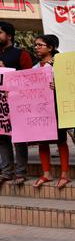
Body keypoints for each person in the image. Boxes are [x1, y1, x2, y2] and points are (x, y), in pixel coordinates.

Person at [31, 34, 71, 189]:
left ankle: (65, 174)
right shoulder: (35, 67)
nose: (36, 47)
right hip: (41, 110)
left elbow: (71, 84)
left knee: (61, 140)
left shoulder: (60, 64)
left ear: (51, 48)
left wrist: (59, 86)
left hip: (57, 108)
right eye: (35, 45)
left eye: (40, 45)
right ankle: (46, 173)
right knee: (42, 141)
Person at [0, 21, 32, 186]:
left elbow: (29, 79)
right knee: (2, 138)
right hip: (0, 105)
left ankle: (20, 172)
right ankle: (6, 172)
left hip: (17, 103)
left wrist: (7, 70)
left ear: (9, 35)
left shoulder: (22, 54)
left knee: (19, 137)